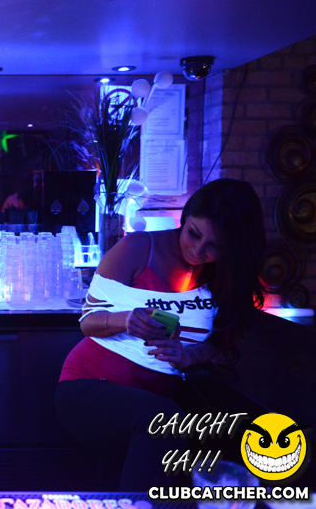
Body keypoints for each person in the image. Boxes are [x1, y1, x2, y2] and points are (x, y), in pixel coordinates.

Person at [54, 178, 266, 491]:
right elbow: (88, 321)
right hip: (88, 384)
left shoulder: (226, 276)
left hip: (152, 398)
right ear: (185, 217)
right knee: (166, 423)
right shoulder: (138, 248)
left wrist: (188, 355)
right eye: (194, 234)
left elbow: (221, 340)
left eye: (215, 247)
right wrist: (125, 320)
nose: (198, 250)